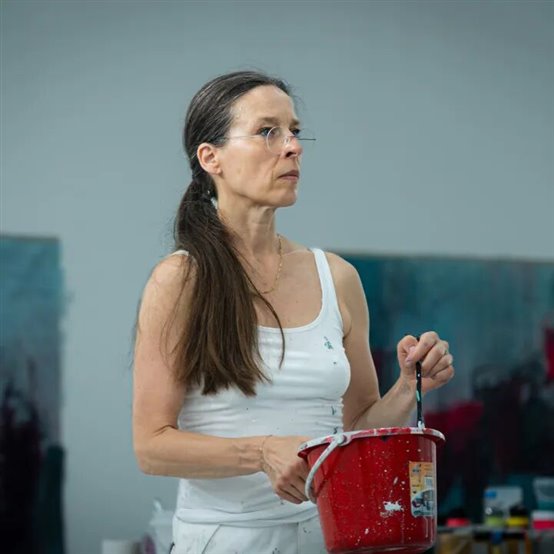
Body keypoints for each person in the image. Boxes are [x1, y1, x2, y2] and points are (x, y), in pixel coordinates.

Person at [132, 71, 455, 554]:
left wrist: (409, 386)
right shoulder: (180, 280)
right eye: (268, 131)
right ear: (211, 158)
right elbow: (152, 446)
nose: (293, 147)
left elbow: (356, 428)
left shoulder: (337, 277)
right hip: (222, 542)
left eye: (294, 131)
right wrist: (261, 451)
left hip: (326, 538)